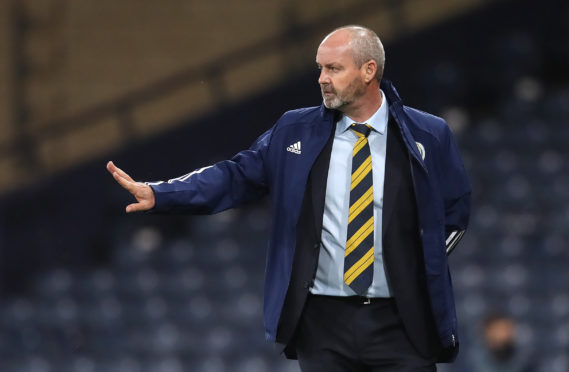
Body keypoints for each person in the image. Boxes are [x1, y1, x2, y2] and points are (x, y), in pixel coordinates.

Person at [107, 25, 471, 371]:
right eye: (320, 68)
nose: (322, 78)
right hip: (323, 323)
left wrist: (423, 261)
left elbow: (455, 210)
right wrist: (161, 193)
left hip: (402, 320)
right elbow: (236, 175)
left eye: (333, 68)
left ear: (368, 70)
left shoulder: (428, 134)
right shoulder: (294, 130)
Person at [467, 312, 535, 372]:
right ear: (489, 333)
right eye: (499, 329)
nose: (504, 333)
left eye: (506, 328)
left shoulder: (522, 355)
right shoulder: (478, 356)